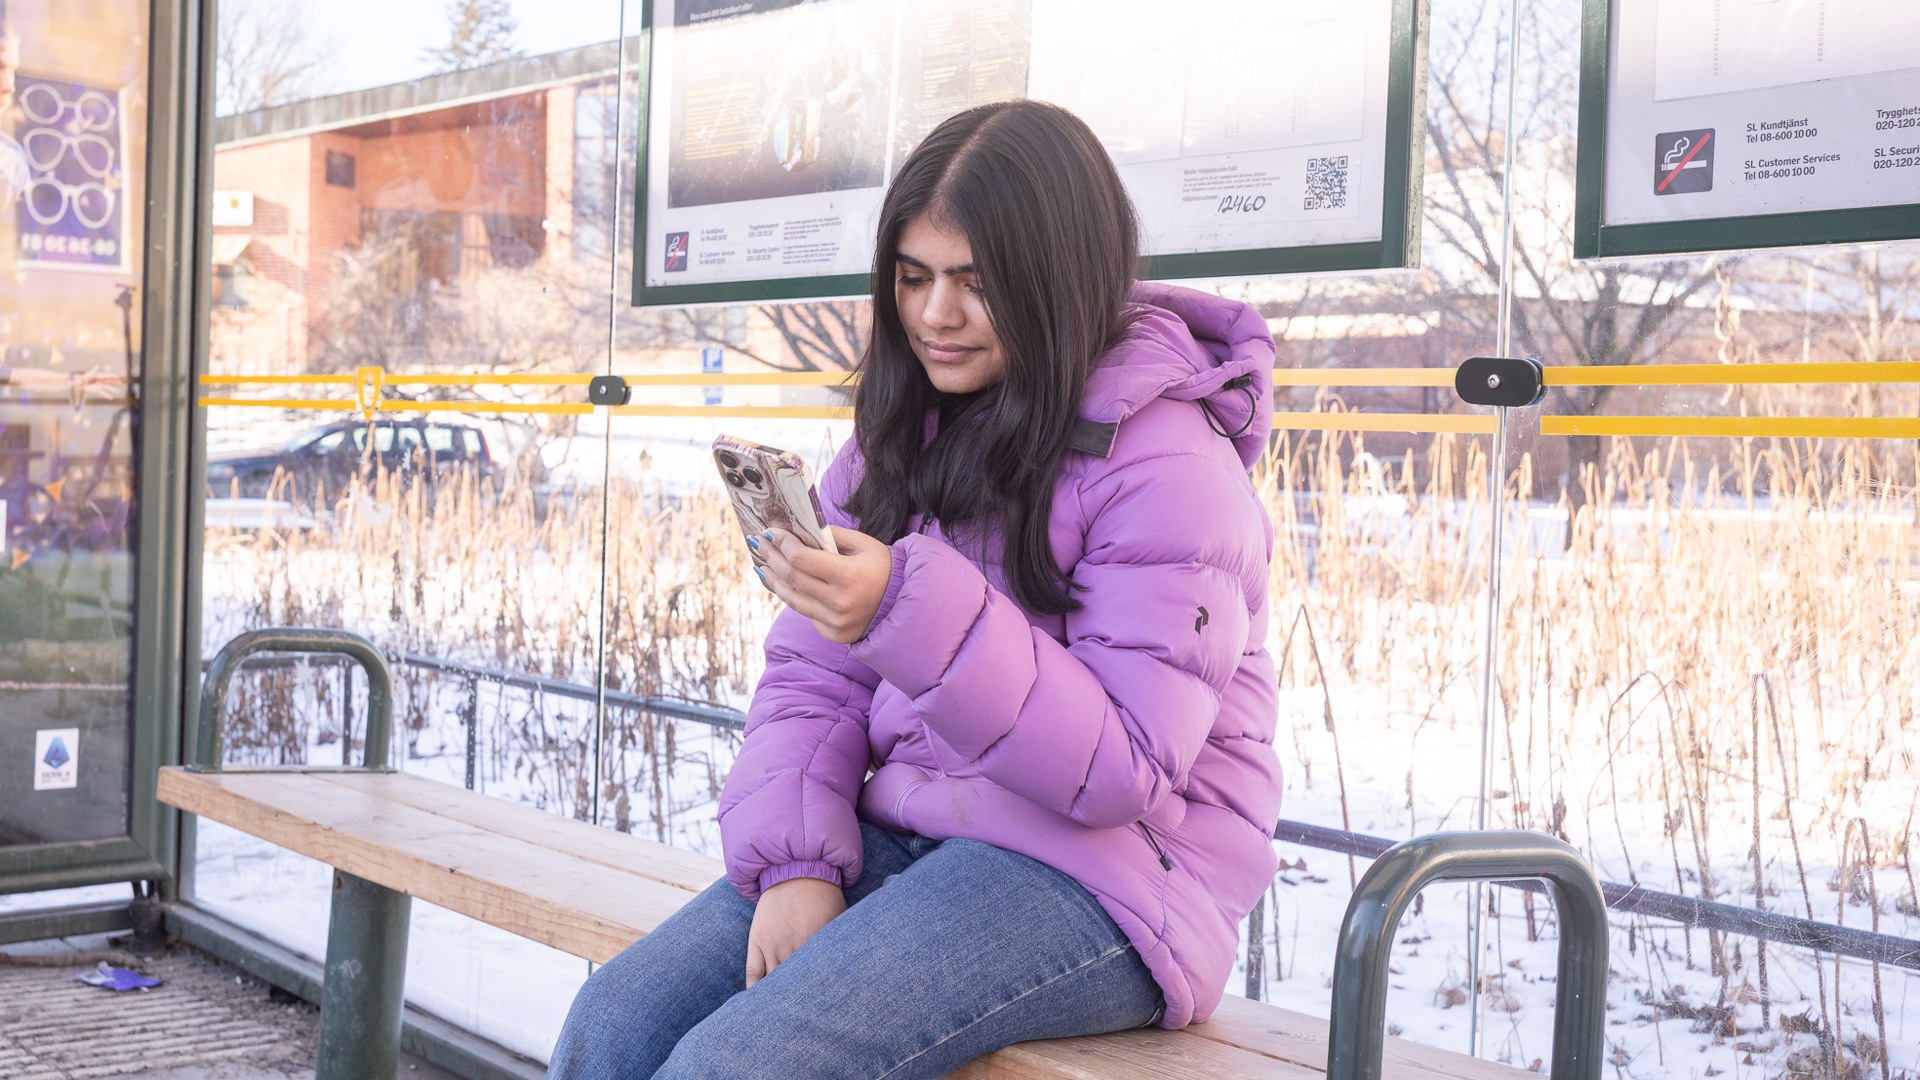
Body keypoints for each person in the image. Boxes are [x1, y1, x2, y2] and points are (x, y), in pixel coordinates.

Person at [551, 99, 1282, 1079]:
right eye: (914, 277)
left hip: (1113, 878)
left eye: (977, 283)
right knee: (616, 1022)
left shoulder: (1172, 468)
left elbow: (1127, 770)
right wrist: (800, 863)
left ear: (1058, 279)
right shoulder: (900, 439)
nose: (936, 314)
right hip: (911, 832)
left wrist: (909, 611)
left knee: (739, 1066)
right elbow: (812, 681)